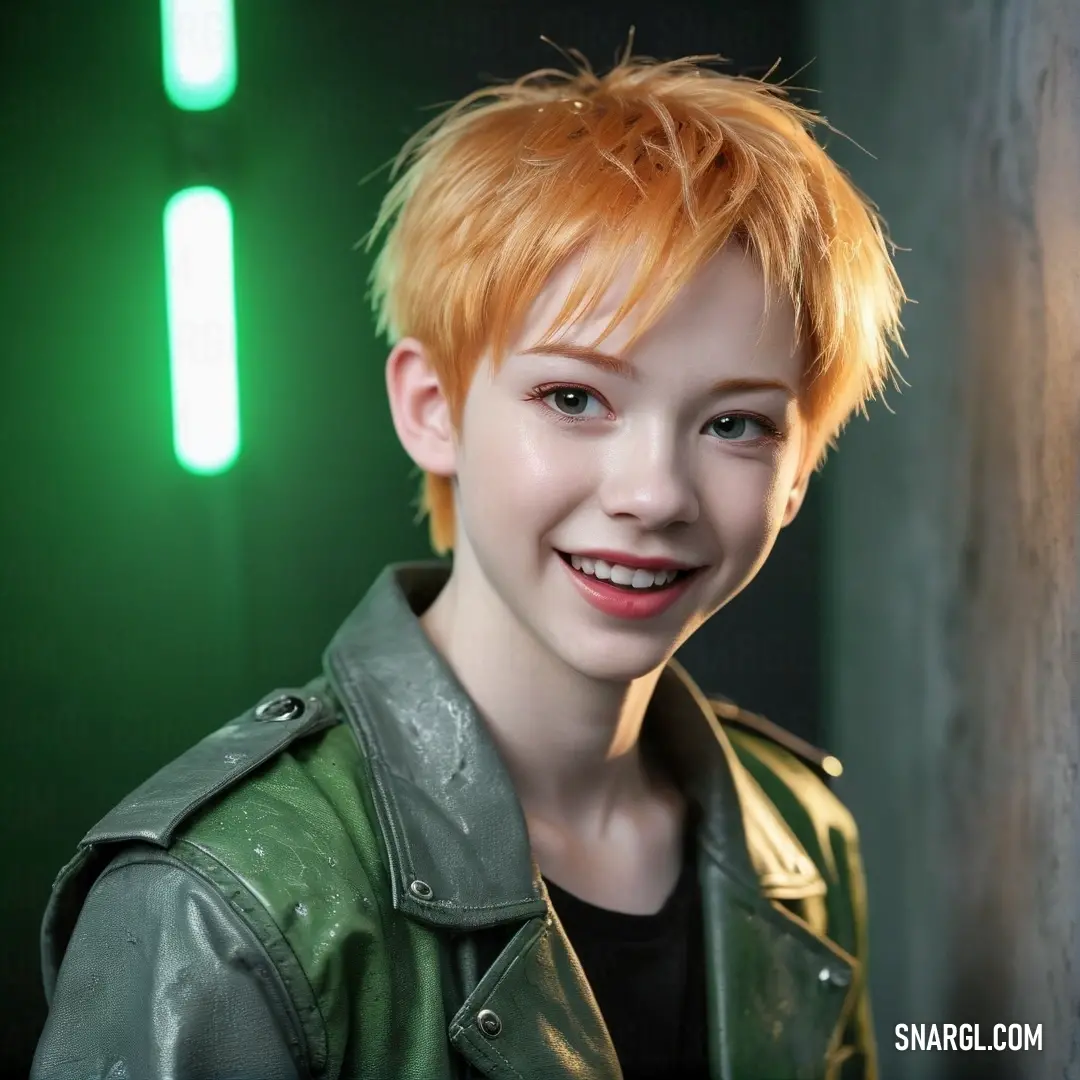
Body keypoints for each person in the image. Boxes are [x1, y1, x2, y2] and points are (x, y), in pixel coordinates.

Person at [31, 43, 903, 1080]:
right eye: (575, 399)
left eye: (736, 424)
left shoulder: (801, 843)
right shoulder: (216, 905)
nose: (655, 492)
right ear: (432, 409)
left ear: (801, 470)